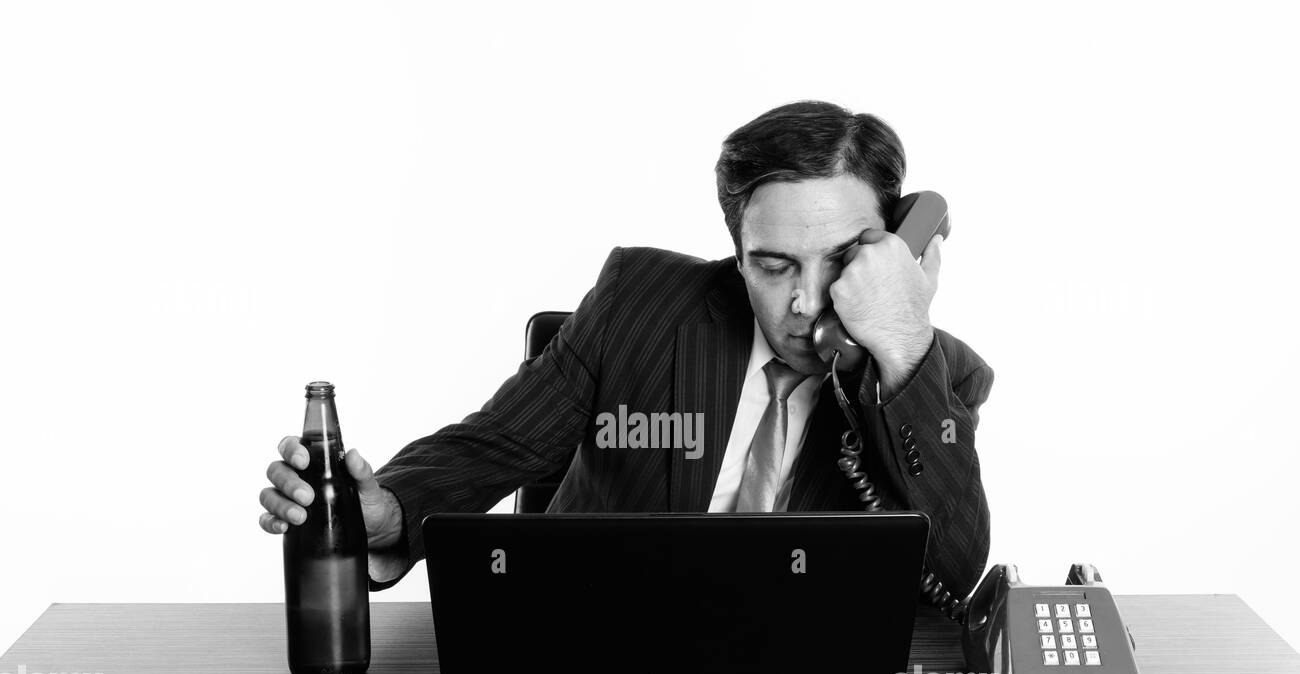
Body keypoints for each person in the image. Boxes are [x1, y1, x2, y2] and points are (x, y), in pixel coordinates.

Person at [258, 100, 994, 601]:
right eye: (774, 266)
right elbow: (496, 444)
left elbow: (952, 578)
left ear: (896, 248)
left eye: (839, 260)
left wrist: (899, 346)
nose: (806, 302)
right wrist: (388, 511)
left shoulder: (936, 373)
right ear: (737, 255)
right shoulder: (639, 300)